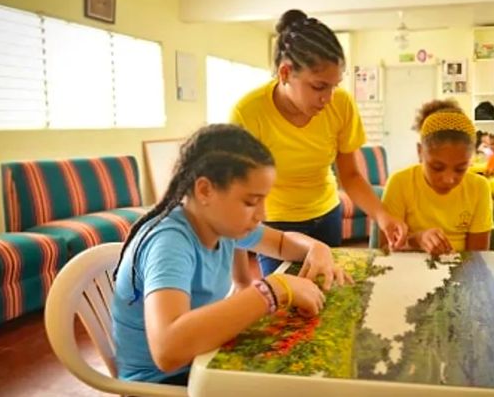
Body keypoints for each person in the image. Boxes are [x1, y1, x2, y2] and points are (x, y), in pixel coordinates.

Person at [111, 124, 350, 385]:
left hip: (202, 360)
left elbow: (281, 243)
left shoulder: (220, 223)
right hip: (164, 384)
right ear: (205, 191)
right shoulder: (170, 242)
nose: (262, 214)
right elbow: (168, 350)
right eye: (250, 202)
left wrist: (317, 248)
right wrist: (273, 289)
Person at [231, 9, 406, 273]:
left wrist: (382, 216)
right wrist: (241, 278)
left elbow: (351, 175)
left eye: (334, 86)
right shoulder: (248, 113)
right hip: (276, 224)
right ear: (285, 73)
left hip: (326, 215)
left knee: (328, 293)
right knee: (287, 302)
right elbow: (238, 196)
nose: (328, 97)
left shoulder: (341, 105)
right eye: (318, 86)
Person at [380, 99, 493, 255]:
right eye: (437, 168)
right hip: (408, 272)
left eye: (460, 169)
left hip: (461, 274)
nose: (448, 179)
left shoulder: (479, 187)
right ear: (420, 152)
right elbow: (385, 249)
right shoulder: (400, 183)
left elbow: (478, 257)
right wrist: (417, 239)